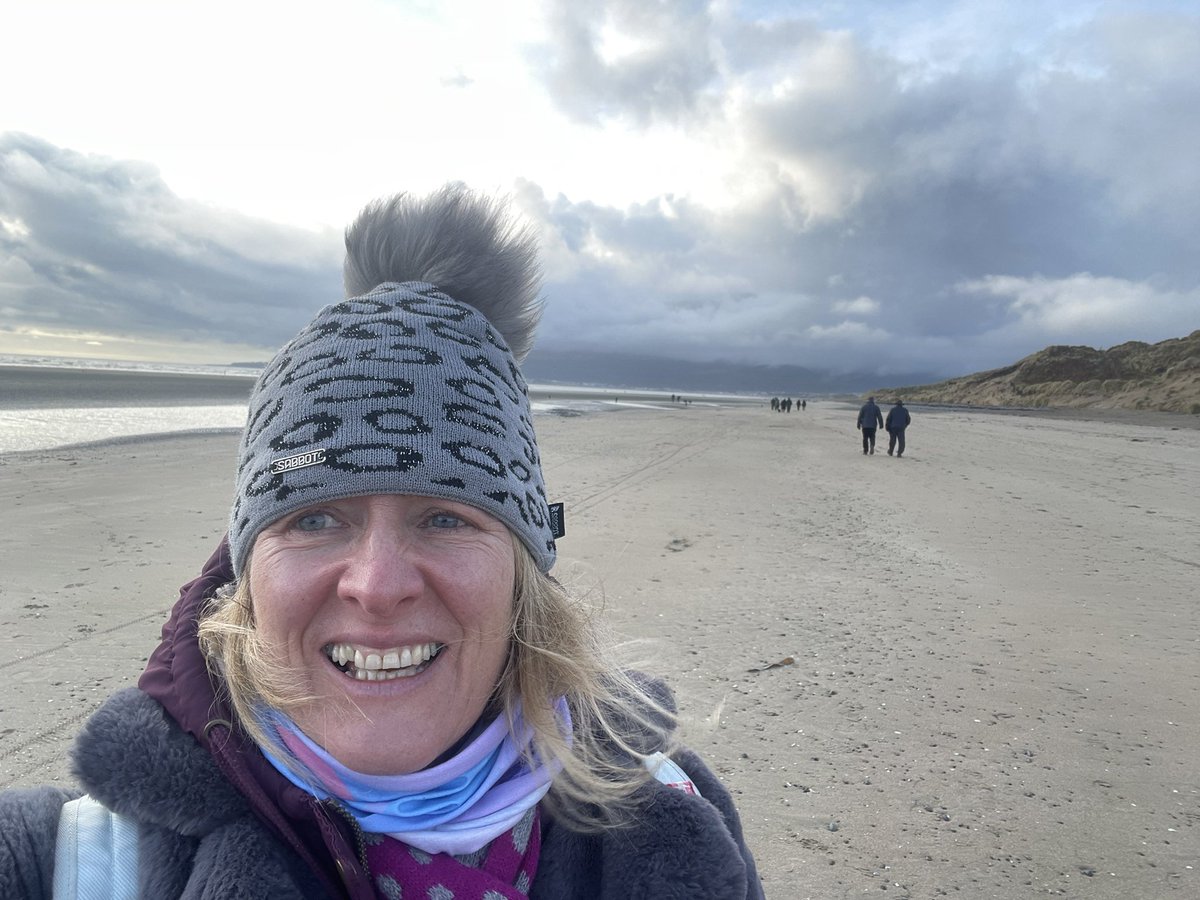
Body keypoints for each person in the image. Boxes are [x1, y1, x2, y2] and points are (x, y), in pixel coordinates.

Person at [0, 186, 763, 899]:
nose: (377, 583)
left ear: (523, 570)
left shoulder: (674, 819)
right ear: (246, 574)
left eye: (444, 517)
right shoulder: (85, 861)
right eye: (314, 518)